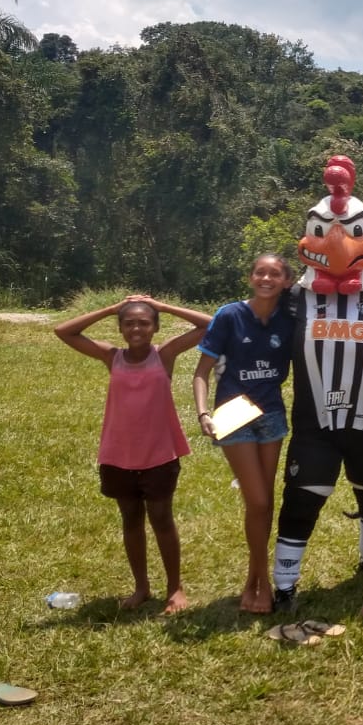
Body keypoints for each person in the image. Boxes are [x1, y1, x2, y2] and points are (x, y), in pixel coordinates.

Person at [275, 156, 363, 611]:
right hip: (314, 421)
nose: (334, 242)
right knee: (303, 496)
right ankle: (284, 583)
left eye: (350, 230)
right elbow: (258, 339)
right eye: (323, 230)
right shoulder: (295, 298)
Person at [55, 295, 211, 614]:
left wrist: (164, 307)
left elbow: (211, 325)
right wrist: (112, 308)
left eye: (144, 322)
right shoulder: (111, 356)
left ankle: (174, 587)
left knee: (162, 518)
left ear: (155, 328)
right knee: (131, 519)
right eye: (129, 323)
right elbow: (63, 331)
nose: (136, 328)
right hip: (118, 454)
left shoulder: (164, 354)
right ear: (120, 329)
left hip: (159, 453)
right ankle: (141, 586)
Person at [193, 254, 296, 613]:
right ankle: (262, 584)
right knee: (258, 502)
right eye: (259, 272)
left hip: (271, 416)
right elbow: (201, 371)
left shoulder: (290, 319)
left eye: (274, 273)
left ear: (286, 281)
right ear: (251, 277)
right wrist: (203, 412)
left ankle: (252, 582)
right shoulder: (229, 315)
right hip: (232, 416)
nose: (266, 278)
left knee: (265, 501)